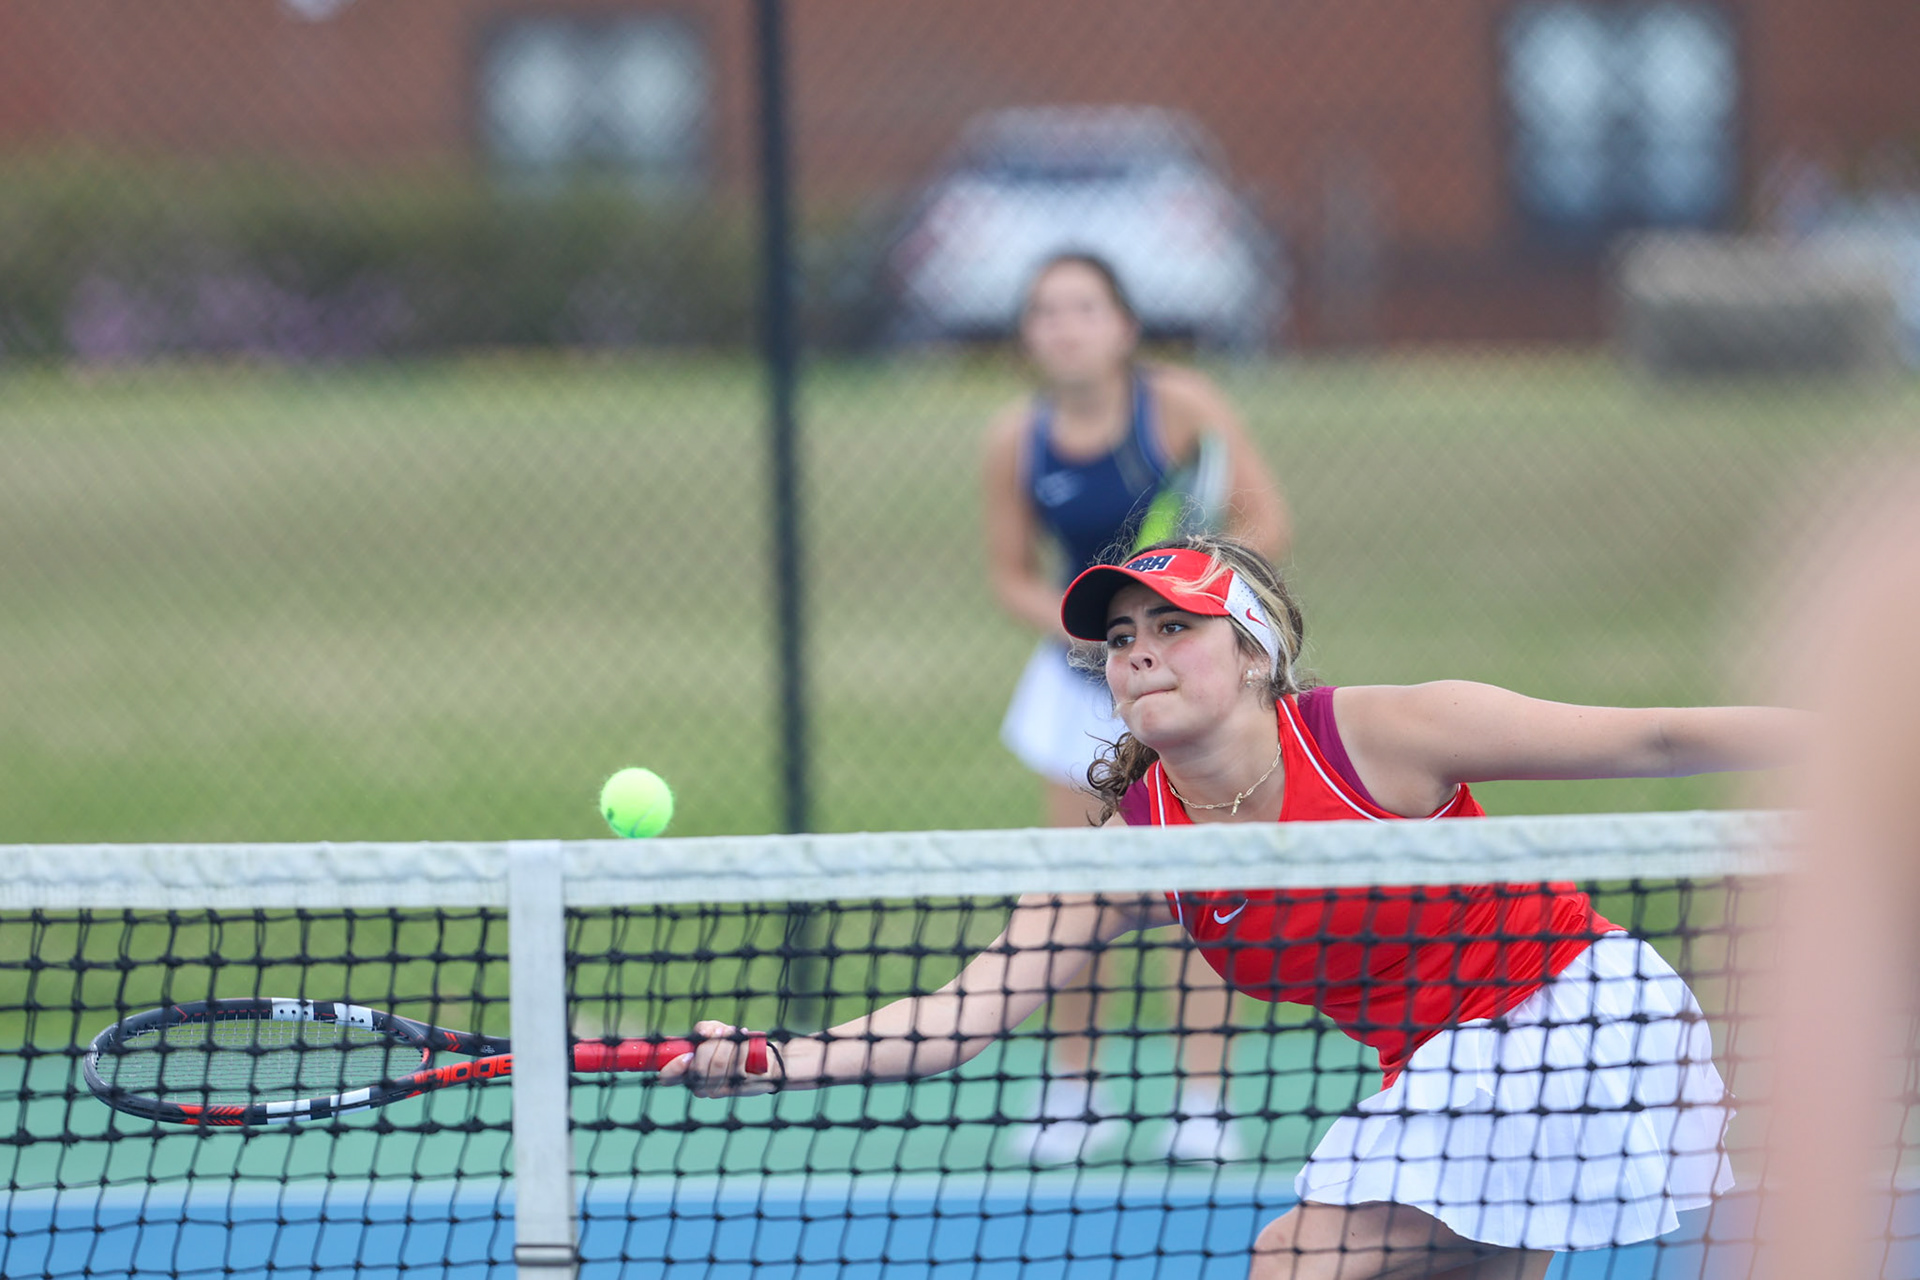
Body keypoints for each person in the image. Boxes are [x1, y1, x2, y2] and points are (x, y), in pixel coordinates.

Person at [666, 536, 1799, 1280]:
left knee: (1294, 1261)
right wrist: (775, 1057)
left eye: (1175, 628)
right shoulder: (1132, 849)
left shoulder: (1381, 736)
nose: (1140, 655)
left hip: (1580, 1023)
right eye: (1119, 640)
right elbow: (965, 1010)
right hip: (1445, 1066)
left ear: (1258, 653)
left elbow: (1653, 735)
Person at [981, 252, 1290, 1163]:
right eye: (1045, 311)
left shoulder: (1182, 407)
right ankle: (1074, 1092)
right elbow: (1009, 575)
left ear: (1122, 325)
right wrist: (1085, 636)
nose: (1065, 326)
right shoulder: (1014, 437)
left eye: (1084, 307)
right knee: (1078, 888)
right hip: (1070, 688)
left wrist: (1183, 600)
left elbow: (1265, 521)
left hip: (1188, 681)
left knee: (1203, 892)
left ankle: (1204, 1102)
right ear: (1030, 336)